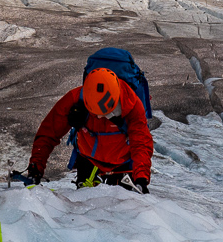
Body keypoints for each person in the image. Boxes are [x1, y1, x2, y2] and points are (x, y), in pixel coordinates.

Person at [13, 51, 153, 191]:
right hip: (89, 164)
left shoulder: (133, 105)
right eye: (95, 114)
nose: (98, 118)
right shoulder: (75, 99)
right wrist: (35, 168)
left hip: (123, 167)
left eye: (103, 114)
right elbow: (49, 132)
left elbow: (141, 142)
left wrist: (141, 178)